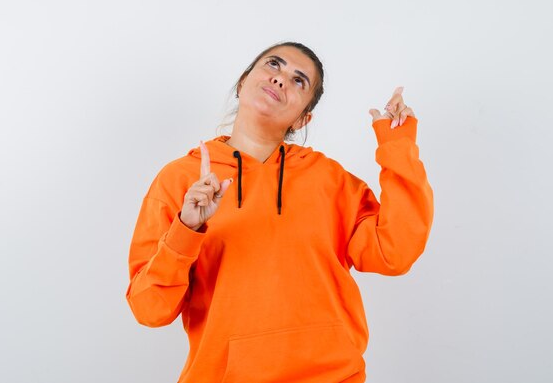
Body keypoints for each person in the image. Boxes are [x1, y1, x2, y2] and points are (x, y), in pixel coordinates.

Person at [125, 41, 434, 383]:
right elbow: (149, 308)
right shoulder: (181, 179)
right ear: (243, 82)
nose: (281, 79)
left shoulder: (327, 179)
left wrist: (397, 146)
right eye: (273, 65)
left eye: (299, 80)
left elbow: (395, 251)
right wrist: (186, 229)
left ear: (303, 118)